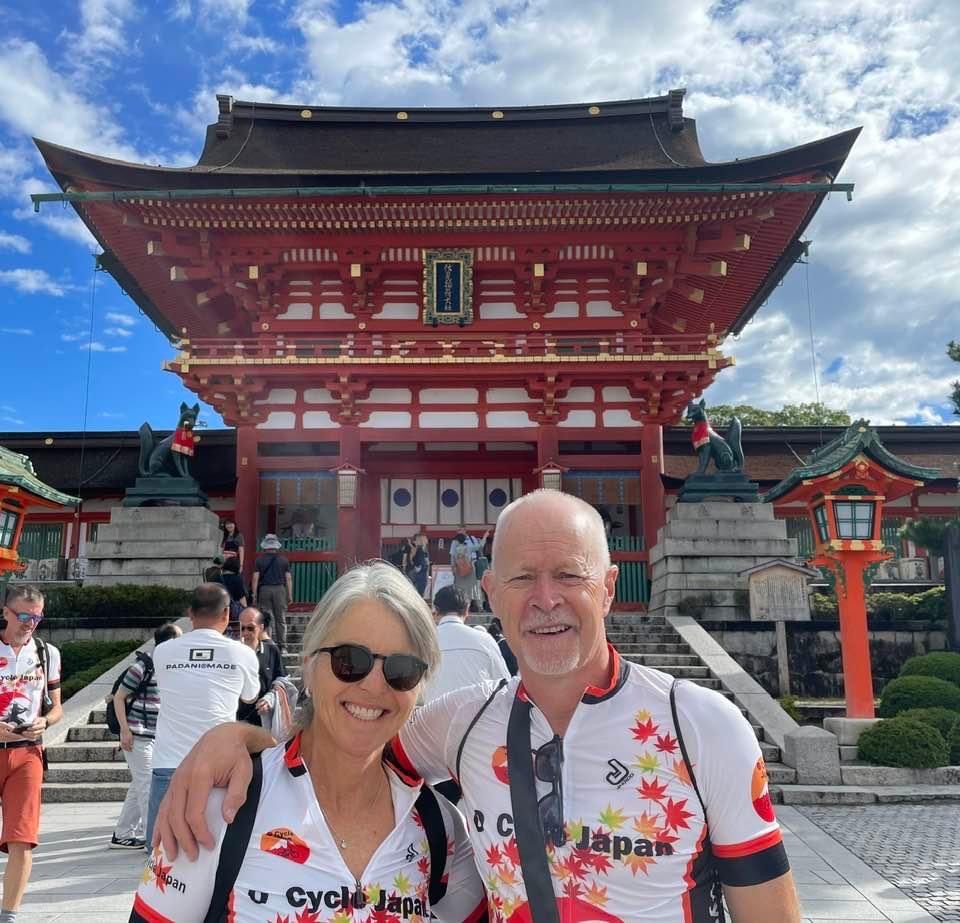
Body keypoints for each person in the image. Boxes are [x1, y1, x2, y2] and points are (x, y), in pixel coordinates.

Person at [155, 490, 801, 921]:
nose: (544, 598)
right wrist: (237, 740)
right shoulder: (460, 722)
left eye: (570, 575)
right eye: (522, 577)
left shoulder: (701, 726)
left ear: (607, 588)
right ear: (491, 592)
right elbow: (346, 741)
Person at [130, 563, 485, 922]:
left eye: (402, 669)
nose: (375, 686)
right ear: (310, 665)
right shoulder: (220, 807)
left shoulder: (438, 824)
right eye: (350, 659)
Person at [144, 583, 260, 849]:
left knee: (164, 854)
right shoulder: (242, 653)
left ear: (190, 614)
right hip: (220, 766)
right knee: (219, 851)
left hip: (169, 762)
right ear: (227, 614)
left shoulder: (162, 652)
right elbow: (250, 697)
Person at [0, 585, 62, 923]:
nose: (30, 623)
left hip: (27, 753)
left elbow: (58, 708)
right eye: (24, 616)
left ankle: (9, 914)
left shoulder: (47, 652)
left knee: (22, 838)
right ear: (6, 612)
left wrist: (45, 721)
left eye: (37, 617)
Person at [109, 622, 182, 849]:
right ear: (169, 643)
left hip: (157, 736)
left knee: (139, 785)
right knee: (148, 786)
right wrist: (125, 730)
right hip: (137, 735)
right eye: (179, 639)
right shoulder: (143, 666)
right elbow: (119, 697)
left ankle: (121, 834)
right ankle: (155, 839)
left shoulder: (170, 667)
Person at [422, 586, 509, 706]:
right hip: (478, 719)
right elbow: (504, 683)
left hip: (431, 716)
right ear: (467, 610)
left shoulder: (424, 641)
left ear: (435, 610)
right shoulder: (484, 639)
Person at [236, 607, 286, 727]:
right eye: (242, 628)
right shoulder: (232, 652)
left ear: (261, 628)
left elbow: (281, 681)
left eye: (250, 628)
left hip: (263, 721)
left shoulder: (272, 651)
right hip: (236, 720)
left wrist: (270, 699)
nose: (245, 633)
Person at [251, 534, 293, 654]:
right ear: (276, 546)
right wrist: (289, 594)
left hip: (264, 590)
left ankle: (268, 645)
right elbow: (288, 578)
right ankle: (283, 646)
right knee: (280, 618)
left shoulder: (259, 560)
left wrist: (254, 595)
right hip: (280, 589)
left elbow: (255, 578)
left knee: (267, 618)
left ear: (265, 546)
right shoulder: (283, 560)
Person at [448, 527, 487, 612]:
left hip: (459, 570)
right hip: (470, 570)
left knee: (460, 589)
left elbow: (452, 560)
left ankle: (461, 607)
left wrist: (453, 569)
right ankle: (477, 607)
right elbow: (480, 546)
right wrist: (485, 537)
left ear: (457, 541)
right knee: (472, 589)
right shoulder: (469, 548)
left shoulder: (455, 549)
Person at [406, 532, 430, 597]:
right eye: (421, 539)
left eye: (424, 539)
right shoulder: (414, 548)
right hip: (417, 572)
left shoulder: (424, 550)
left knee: (420, 593)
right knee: (416, 593)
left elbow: (427, 562)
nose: (424, 540)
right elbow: (411, 559)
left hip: (423, 573)